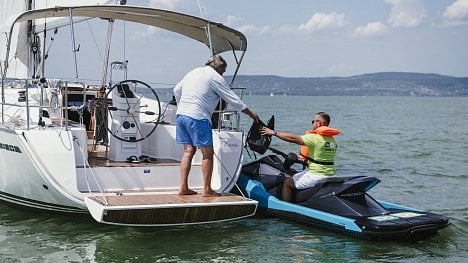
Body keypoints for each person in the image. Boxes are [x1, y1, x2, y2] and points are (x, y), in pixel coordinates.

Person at [174, 54, 259, 197]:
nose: (223, 74)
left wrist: (181, 106)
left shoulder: (193, 71)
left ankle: (183, 188)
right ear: (218, 66)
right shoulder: (215, 77)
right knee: (207, 153)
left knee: (188, 151)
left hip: (181, 115)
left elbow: (176, 90)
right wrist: (251, 114)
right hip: (198, 117)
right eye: (223, 70)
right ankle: (207, 189)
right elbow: (233, 99)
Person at [260, 112, 340, 202]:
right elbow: (322, 156)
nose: (312, 124)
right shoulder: (332, 140)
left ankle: (285, 207)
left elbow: (293, 138)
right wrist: (307, 158)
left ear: (319, 123)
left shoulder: (315, 138)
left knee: (288, 182)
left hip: (316, 174)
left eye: (313, 121)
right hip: (330, 173)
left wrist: (273, 132)